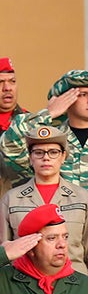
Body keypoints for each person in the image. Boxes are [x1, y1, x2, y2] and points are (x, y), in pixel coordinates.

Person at [0, 69, 88, 254]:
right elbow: (9, 144)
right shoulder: (48, 144)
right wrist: (48, 113)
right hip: (60, 248)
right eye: (83, 95)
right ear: (65, 100)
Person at [1, 126, 88, 273]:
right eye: (38, 153)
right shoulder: (11, 199)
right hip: (23, 287)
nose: (46, 158)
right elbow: (4, 249)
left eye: (53, 152)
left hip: (74, 285)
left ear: (63, 156)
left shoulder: (82, 198)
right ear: (30, 158)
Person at [0, 57, 27, 196]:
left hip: (20, 206)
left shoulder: (29, 123)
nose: (7, 88)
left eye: (12, 81)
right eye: (0, 82)